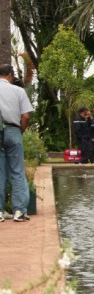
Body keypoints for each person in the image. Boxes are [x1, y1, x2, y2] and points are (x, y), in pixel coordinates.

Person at [0, 63, 34, 222]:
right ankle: (19, 211)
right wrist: (19, 132)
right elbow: (26, 117)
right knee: (17, 171)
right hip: (13, 130)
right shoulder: (18, 91)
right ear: (10, 75)